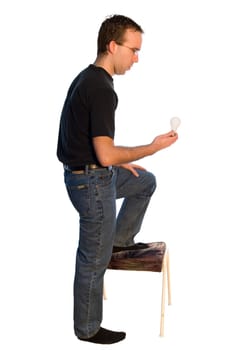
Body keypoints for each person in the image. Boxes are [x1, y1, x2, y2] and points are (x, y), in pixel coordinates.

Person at [56, 14, 178, 345]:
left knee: (144, 182)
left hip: (95, 174)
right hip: (90, 186)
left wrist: (114, 165)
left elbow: (92, 146)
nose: (136, 58)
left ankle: (120, 239)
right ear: (113, 46)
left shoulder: (90, 79)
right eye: (133, 50)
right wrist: (150, 148)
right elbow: (107, 153)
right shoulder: (100, 88)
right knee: (92, 260)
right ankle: (87, 328)